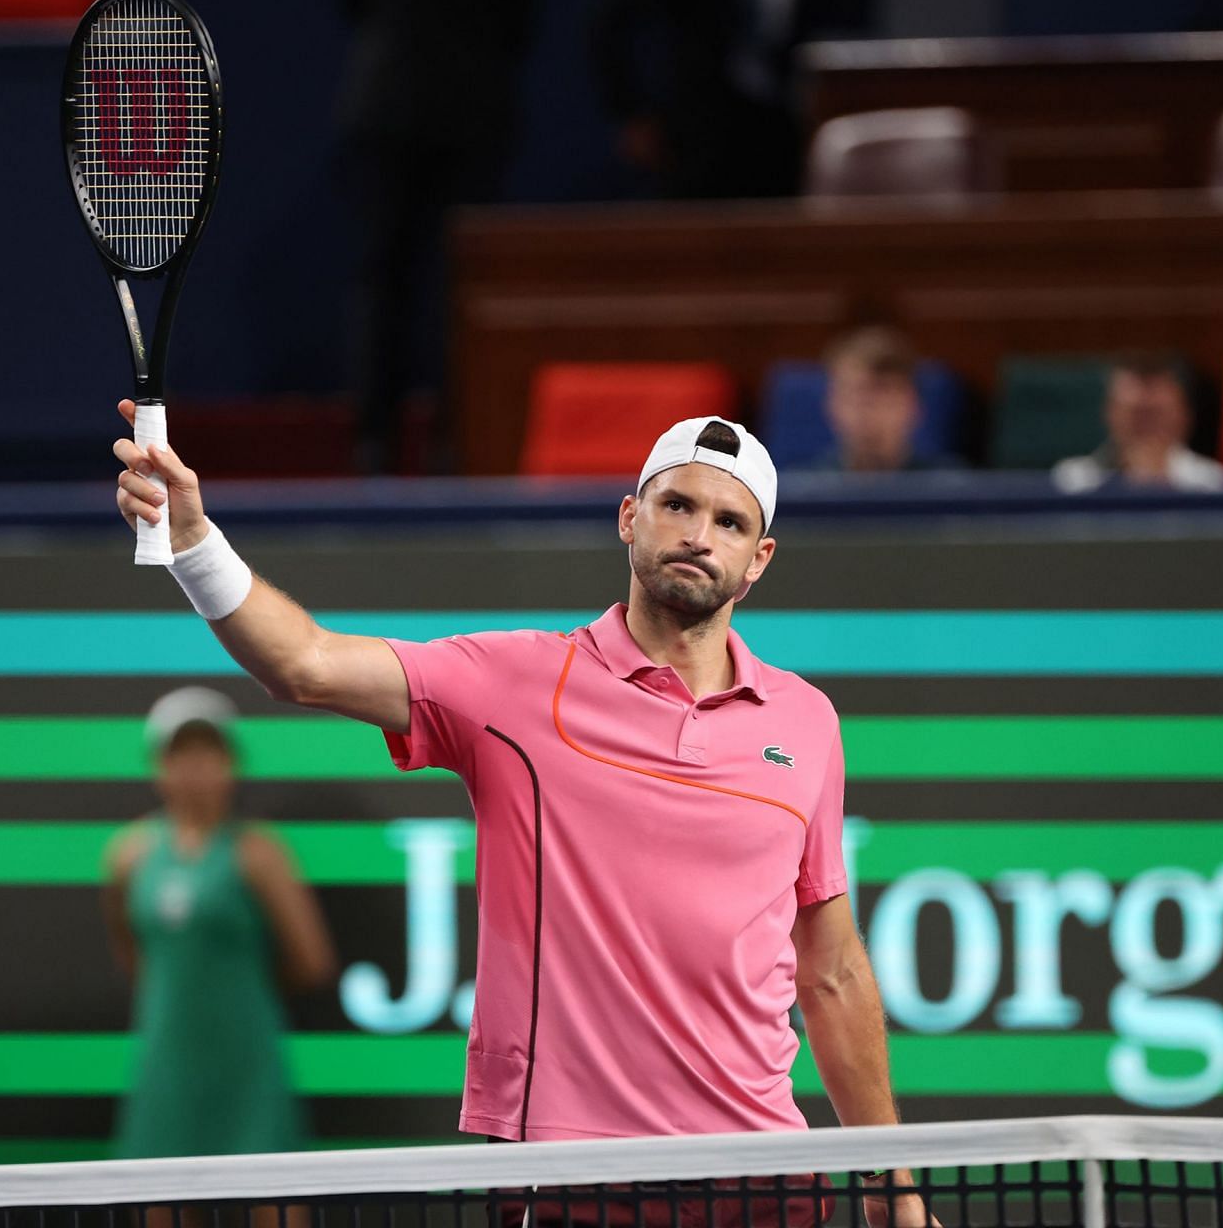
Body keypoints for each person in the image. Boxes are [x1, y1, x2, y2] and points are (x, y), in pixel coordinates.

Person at [112, 402, 931, 1225]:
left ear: (758, 560)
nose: (696, 533)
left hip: (762, 1173)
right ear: (629, 517)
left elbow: (831, 970)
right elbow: (305, 664)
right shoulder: (512, 683)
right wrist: (193, 542)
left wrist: (891, 1181)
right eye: (676, 504)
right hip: (575, 1171)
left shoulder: (807, 723)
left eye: (728, 520)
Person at [104, 686, 336, 1161]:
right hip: (165, 1056)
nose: (196, 770)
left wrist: (235, 993)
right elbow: (132, 951)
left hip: (247, 1057)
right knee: (157, 1196)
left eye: (209, 754)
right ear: (158, 765)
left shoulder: (260, 853)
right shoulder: (128, 855)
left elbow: (311, 961)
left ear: (232, 764)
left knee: (272, 1196)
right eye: (181, 755)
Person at [337, 0, 536, 473]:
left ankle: (375, 443)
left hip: (394, 107)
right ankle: (455, 439)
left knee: (389, 281)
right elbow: (521, 18)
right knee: (458, 288)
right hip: (464, 111)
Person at [590, 0, 874, 199]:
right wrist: (632, 112)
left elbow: (848, 45)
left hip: (785, 137)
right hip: (702, 137)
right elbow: (611, 22)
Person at [1051, 353, 1223, 494]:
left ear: (1184, 416)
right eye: (1137, 415)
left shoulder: (1212, 483)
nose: (1147, 429)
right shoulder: (1072, 482)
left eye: (1155, 414)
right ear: (1110, 413)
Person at [812, 327, 959, 473]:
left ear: (914, 405)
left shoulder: (957, 489)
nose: (867, 411)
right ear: (831, 404)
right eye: (854, 395)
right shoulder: (801, 490)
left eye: (882, 393)